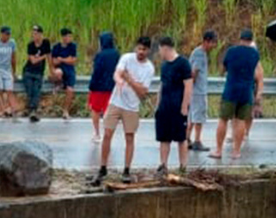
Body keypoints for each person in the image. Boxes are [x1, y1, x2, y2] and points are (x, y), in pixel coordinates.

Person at [89, 36, 155, 186]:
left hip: (132, 106)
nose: (141, 52)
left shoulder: (149, 68)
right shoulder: (126, 58)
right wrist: (119, 80)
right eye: (139, 48)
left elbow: (143, 92)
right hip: (116, 101)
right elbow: (117, 73)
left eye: (144, 49)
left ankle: (126, 170)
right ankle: (103, 167)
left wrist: (129, 79)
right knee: (107, 134)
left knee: (129, 137)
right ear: (135, 48)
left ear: (148, 51)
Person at [211, 29, 263, 160]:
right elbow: (255, 72)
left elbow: (222, 70)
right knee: (241, 121)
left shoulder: (231, 51)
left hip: (231, 89)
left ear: (240, 39)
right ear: (251, 40)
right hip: (246, 91)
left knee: (223, 119)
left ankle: (218, 150)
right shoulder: (254, 54)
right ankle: (236, 151)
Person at [154, 36, 194, 176]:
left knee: (181, 138)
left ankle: (183, 167)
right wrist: (158, 105)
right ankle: (163, 165)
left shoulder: (183, 63)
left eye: (159, 49)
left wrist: (184, 107)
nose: (159, 53)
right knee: (164, 138)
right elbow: (161, 86)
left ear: (165, 48)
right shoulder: (164, 65)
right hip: (165, 107)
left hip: (178, 106)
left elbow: (188, 86)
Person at [87, 31, 120, 143]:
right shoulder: (116, 54)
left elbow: (97, 72)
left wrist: (91, 86)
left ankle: (97, 134)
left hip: (99, 87)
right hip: (112, 87)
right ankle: (108, 134)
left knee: (95, 109)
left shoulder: (100, 55)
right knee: (109, 111)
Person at [187, 30, 217, 151]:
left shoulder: (201, 52)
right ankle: (197, 141)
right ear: (206, 41)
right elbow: (194, 72)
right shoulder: (199, 53)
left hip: (196, 90)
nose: (214, 46)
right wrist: (191, 88)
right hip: (198, 91)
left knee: (193, 117)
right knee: (198, 117)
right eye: (213, 43)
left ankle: (187, 138)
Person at [22, 25, 51, 122]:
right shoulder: (30, 45)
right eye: (33, 34)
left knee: (36, 90)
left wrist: (51, 70)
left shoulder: (46, 43)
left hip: (39, 72)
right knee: (30, 90)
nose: (34, 36)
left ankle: (34, 111)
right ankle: (31, 111)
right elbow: (33, 61)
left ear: (40, 34)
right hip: (29, 71)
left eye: (36, 34)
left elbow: (49, 57)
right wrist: (44, 56)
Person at [50, 28, 78, 120]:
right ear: (63, 37)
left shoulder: (73, 46)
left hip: (70, 71)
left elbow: (73, 60)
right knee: (58, 72)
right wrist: (67, 59)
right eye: (68, 36)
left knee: (70, 90)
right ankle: (59, 83)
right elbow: (53, 61)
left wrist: (62, 59)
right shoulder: (56, 47)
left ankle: (65, 111)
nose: (69, 38)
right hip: (60, 70)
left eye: (70, 36)